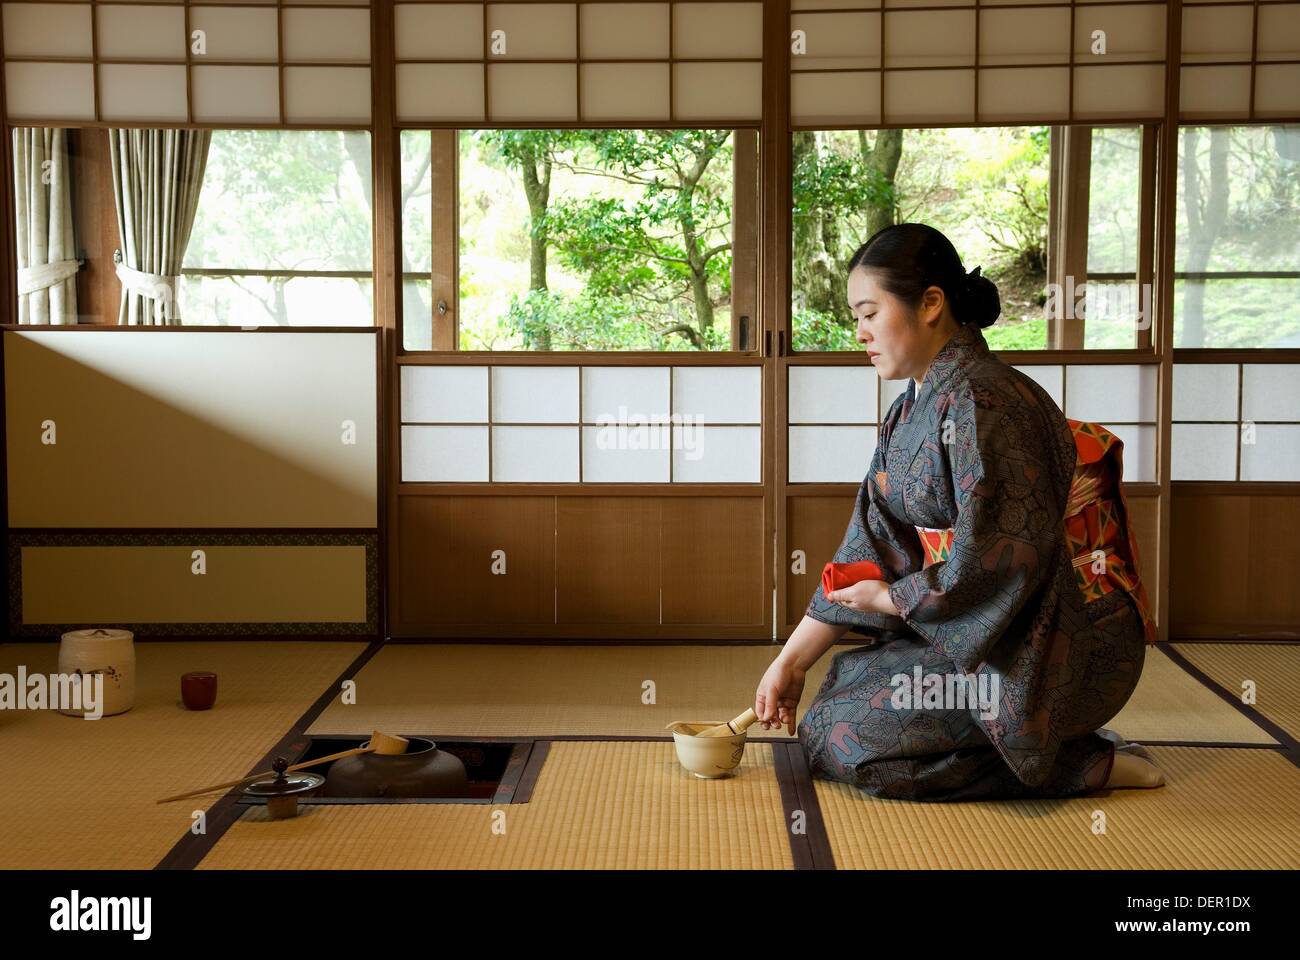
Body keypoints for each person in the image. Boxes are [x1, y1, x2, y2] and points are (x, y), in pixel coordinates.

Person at [755, 223, 1163, 801]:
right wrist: (791, 663)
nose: (861, 333)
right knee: (832, 708)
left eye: (870, 313)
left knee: (850, 740)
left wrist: (895, 599)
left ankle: (1081, 763)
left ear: (930, 303)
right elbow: (866, 549)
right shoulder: (909, 411)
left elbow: (1007, 554)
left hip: (1061, 635)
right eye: (855, 318)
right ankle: (1047, 749)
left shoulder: (986, 398)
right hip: (981, 625)